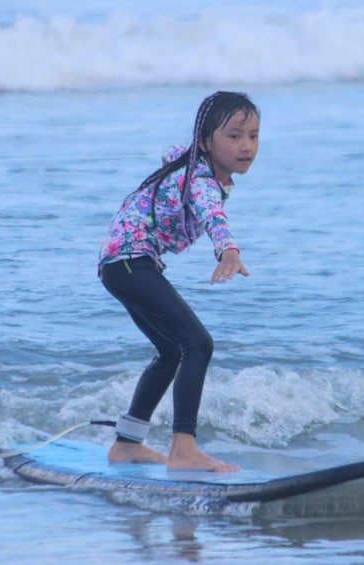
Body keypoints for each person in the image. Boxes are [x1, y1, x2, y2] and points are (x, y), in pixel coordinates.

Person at [98, 91, 260, 472]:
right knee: (198, 344)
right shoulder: (201, 178)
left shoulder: (195, 166)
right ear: (206, 141)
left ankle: (127, 443)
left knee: (173, 351)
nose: (246, 146)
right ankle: (183, 449)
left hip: (121, 264)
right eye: (234, 136)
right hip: (130, 262)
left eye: (253, 136)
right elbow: (210, 213)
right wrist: (228, 251)